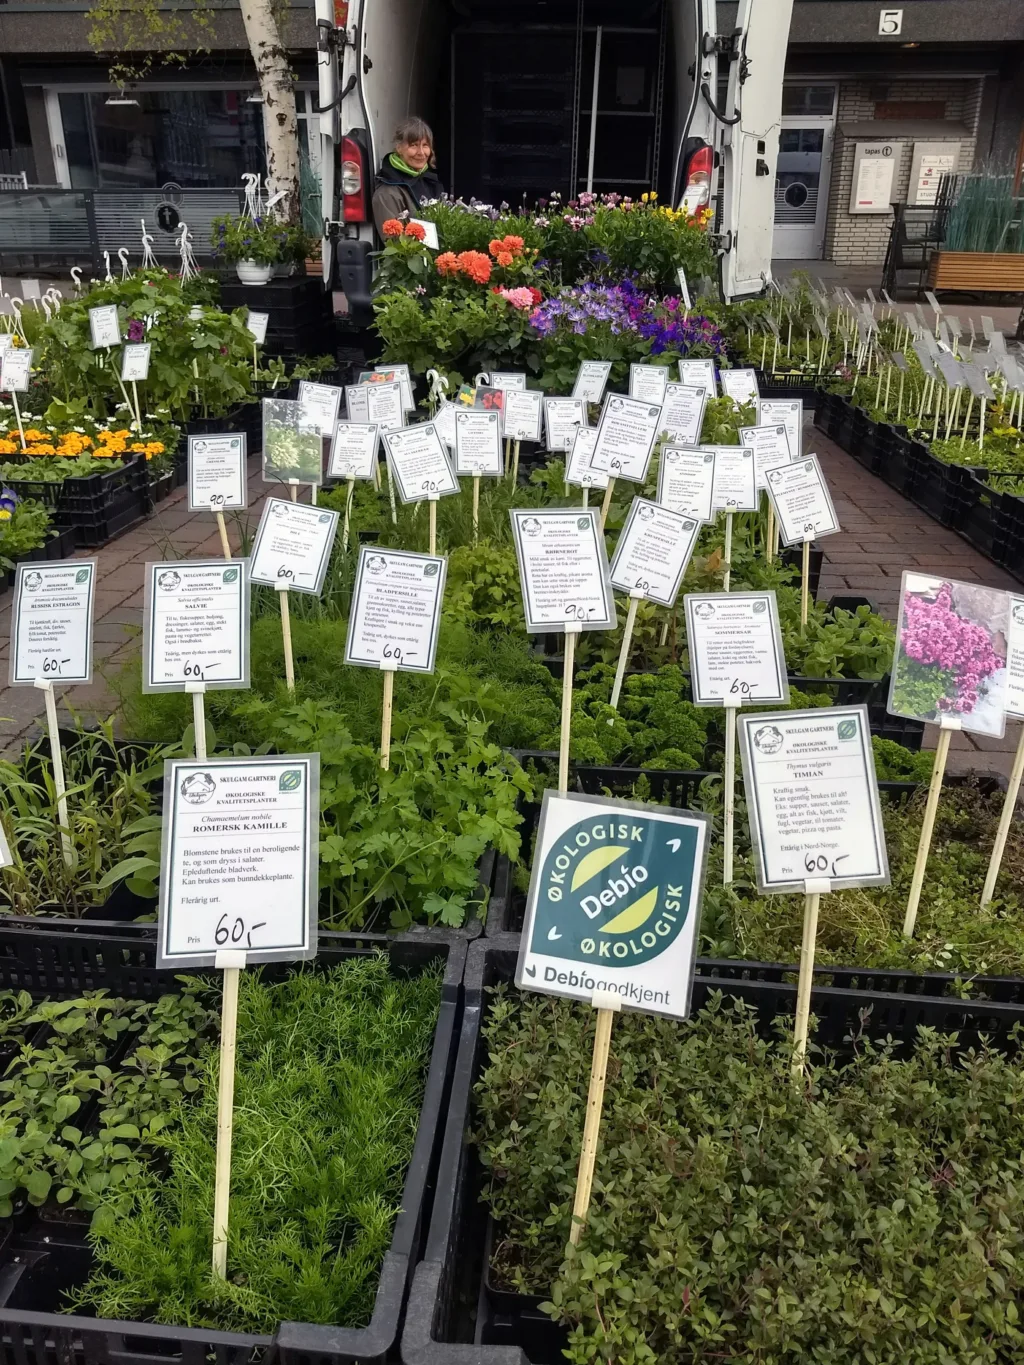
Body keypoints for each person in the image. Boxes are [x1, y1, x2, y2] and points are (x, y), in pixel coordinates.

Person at [372, 117, 444, 239]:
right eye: (414, 145)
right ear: (399, 148)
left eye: (425, 145)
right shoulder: (387, 193)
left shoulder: (430, 182)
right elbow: (396, 245)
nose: (421, 152)